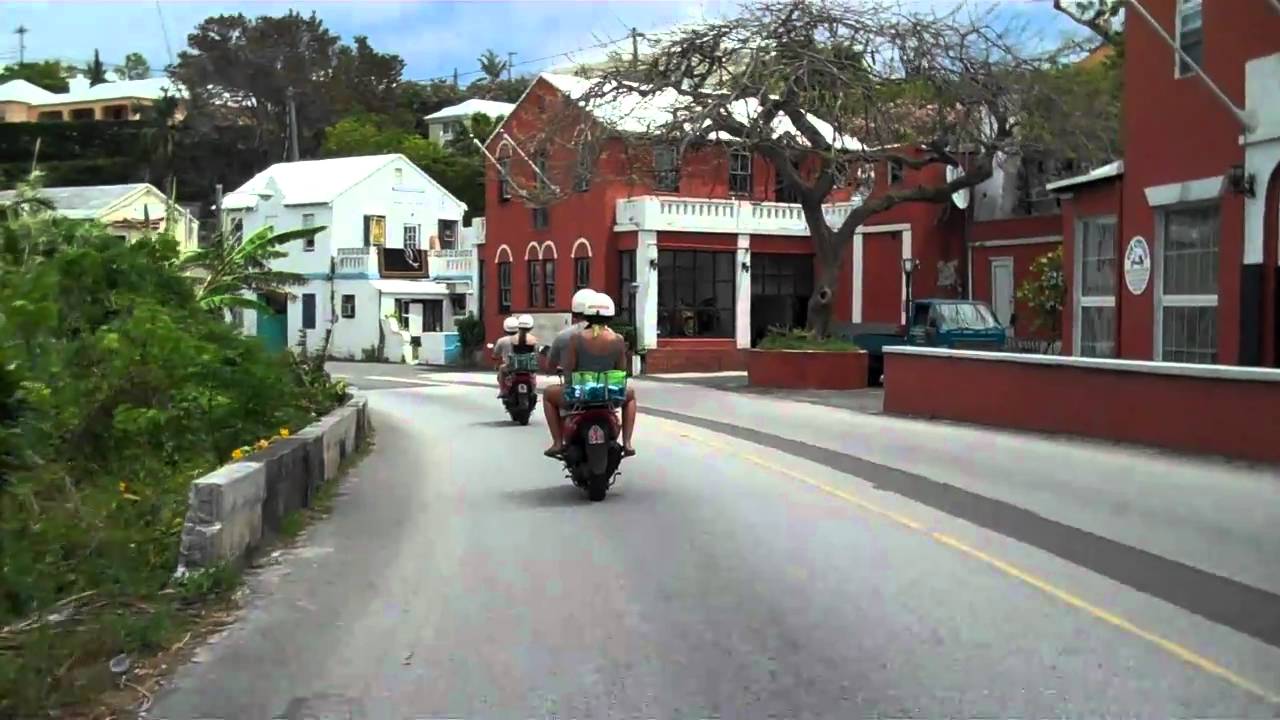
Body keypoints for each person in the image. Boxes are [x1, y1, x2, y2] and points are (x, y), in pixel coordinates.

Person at [542, 292, 638, 458]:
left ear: (587, 315)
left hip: (580, 394)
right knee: (631, 396)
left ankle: (557, 443)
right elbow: (622, 371)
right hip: (609, 394)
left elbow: (570, 370)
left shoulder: (576, 339)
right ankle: (628, 443)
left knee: (548, 395)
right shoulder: (618, 339)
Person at [548, 288, 598, 372]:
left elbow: (551, 366)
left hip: (572, 384)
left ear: (573, 312)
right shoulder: (612, 337)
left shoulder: (562, 336)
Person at [492, 316, 518, 397]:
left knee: (501, 369)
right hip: (524, 365)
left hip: (509, 366)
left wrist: (496, 363)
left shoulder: (502, 340)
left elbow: (496, 354)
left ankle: (502, 391)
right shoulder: (523, 338)